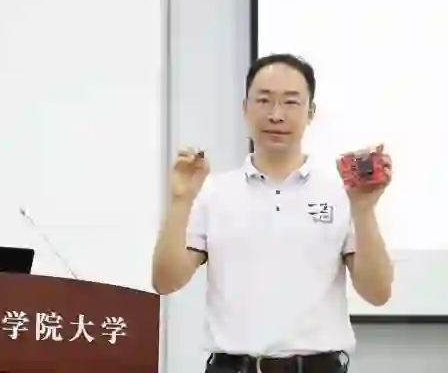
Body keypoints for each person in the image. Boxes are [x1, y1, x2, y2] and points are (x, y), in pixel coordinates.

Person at [152, 54, 394, 373]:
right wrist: (181, 200)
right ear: (245, 108)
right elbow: (165, 281)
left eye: (290, 102)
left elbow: (377, 293)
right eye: (264, 100)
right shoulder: (213, 191)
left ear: (311, 112)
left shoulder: (339, 193)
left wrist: (363, 210)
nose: (276, 115)